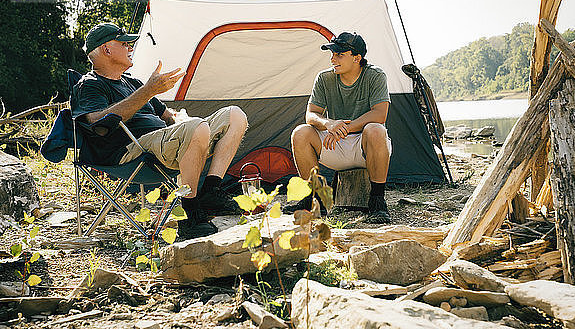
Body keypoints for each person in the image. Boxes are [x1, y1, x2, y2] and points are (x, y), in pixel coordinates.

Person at [71, 22, 248, 239]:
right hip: (131, 151)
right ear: (106, 49)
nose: (130, 47)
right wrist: (148, 91)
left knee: (234, 115)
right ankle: (189, 215)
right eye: (125, 43)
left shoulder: (132, 83)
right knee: (197, 127)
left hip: (167, 144)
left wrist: (180, 118)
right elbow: (97, 123)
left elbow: (167, 115)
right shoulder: (89, 85)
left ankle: (211, 190)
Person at [285, 32, 392, 223]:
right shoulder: (324, 78)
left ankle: (377, 201)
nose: (333, 59)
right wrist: (329, 124)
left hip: (365, 146)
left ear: (357, 58)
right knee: (300, 133)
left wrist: (345, 128)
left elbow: (380, 114)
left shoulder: (375, 76)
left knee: (376, 129)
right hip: (335, 143)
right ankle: (315, 200)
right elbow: (311, 114)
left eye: (339, 54)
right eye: (332, 54)